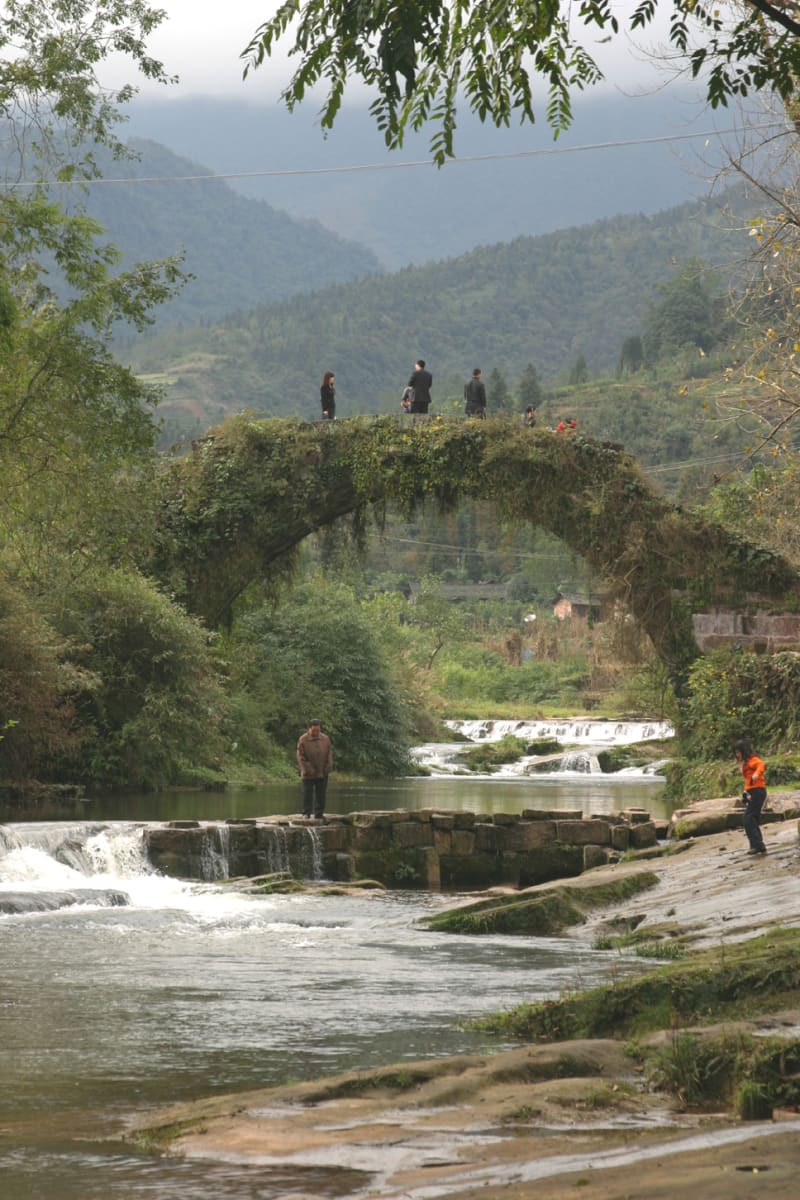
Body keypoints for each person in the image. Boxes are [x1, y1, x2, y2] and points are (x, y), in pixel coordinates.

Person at [734, 738, 768, 855]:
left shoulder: (753, 760)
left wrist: (756, 774)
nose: (737, 755)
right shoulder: (745, 764)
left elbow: (761, 765)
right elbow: (748, 780)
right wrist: (745, 792)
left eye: (738, 752)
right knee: (752, 818)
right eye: (736, 752)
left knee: (748, 818)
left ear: (744, 751)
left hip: (758, 791)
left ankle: (757, 845)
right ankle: (757, 845)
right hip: (752, 792)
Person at [297, 719, 333, 819]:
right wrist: (308, 769)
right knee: (307, 794)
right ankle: (306, 813)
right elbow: (300, 756)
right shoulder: (303, 739)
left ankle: (319, 813)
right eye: (314, 731)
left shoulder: (325, 738)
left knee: (321, 794)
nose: (316, 733)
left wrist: (329, 766)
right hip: (308, 773)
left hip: (322, 772)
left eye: (318, 730)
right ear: (309, 729)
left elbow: (329, 753)